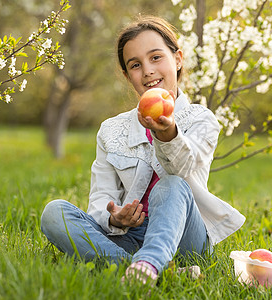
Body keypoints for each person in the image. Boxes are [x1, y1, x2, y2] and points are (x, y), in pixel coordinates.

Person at [40, 15, 245, 285]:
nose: (147, 70)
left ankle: (145, 264)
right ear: (127, 76)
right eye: (135, 65)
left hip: (184, 237)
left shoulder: (201, 119)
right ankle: (150, 270)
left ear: (178, 59)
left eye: (156, 57)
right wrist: (115, 218)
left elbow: (181, 169)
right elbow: (100, 200)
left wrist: (167, 133)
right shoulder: (111, 130)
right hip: (130, 236)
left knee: (170, 185)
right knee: (54, 213)